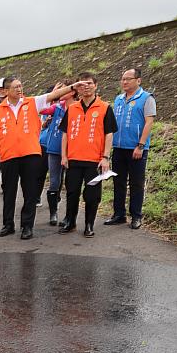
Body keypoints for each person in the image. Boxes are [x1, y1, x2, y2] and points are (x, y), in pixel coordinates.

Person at [0, 77, 86, 239]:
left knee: (30, 192)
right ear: (5, 91)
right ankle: (8, 224)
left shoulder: (33, 102)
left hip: (30, 155)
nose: (19, 89)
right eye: (15, 87)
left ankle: (27, 226)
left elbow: (54, 95)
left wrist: (73, 87)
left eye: (20, 86)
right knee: (9, 192)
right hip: (8, 156)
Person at [58, 72, 117, 237]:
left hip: (94, 161)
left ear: (96, 85)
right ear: (78, 88)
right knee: (72, 192)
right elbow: (65, 134)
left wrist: (105, 157)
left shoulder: (105, 108)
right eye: (82, 84)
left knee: (92, 196)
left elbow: (109, 134)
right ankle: (70, 221)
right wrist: (64, 155)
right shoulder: (72, 108)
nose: (86, 87)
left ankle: (89, 224)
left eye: (89, 83)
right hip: (74, 159)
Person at [105, 68, 157, 230]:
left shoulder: (146, 98)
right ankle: (119, 214)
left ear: (138, 80)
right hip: (119, 148)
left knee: (136, 183)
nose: (124, 82)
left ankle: (136, 216)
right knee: (118, 182)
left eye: (128, 79)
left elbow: (149, 123)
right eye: (122, 79)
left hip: (136, 148)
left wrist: (140, 145)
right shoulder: (119, 99)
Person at [42, 79, 74, 226]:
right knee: (54, 181)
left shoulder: (78, 108)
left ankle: (69, 216)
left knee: (70, 183)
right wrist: (53, 94)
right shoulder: (57, 107)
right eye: (58, 90)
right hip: (55, 150)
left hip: (73, 152)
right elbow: (41, 108)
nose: (60, 92)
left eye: (63, 90)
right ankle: (53, 213)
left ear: (72, 92)